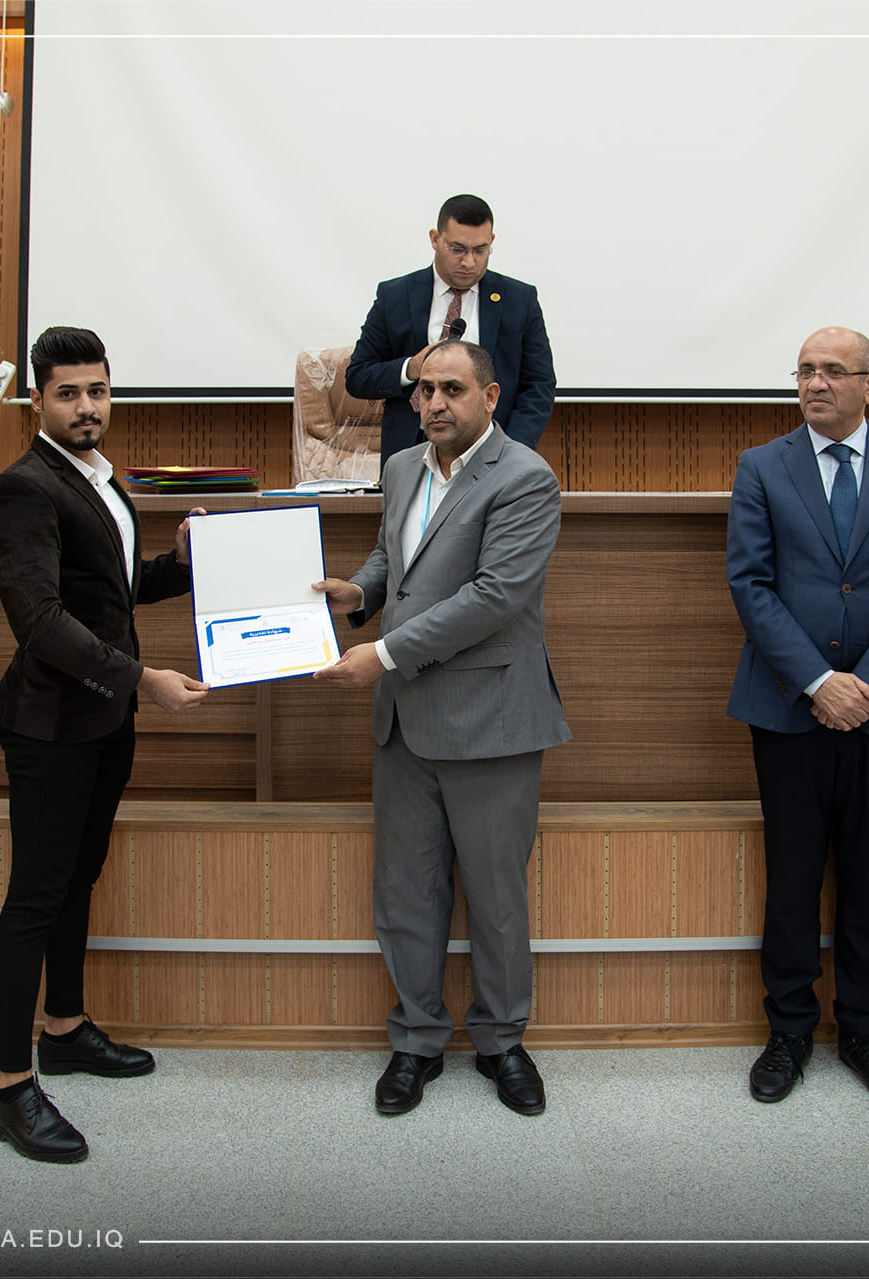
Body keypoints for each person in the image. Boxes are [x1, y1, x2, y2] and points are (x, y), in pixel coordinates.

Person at [313, 339, 569, 1117]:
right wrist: (359, 593)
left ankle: (501, 1041)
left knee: (495, 899)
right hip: (405, 723)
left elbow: (494, 597)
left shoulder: (525, 477)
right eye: (424, 389)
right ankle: (417, 1040)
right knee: (406, 894)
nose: (432, 403)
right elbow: (395, 558)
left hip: (490, 720)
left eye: (451, 389)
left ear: (490, 397)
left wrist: (382, 653)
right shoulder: (400, 468)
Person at [0, 325, 209, 1163]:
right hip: (50, 726)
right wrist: (143, 678)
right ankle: (11, 1086)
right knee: (35, 897)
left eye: (98, 390)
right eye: (69, 393)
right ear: (36, 400)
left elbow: (113, 590)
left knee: (78, 879)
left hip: (104, 721)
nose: (86, 406)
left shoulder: (101, 478)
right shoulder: (21, 488)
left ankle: (65, 1028)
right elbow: (40, 620)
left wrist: (179, 564)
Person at [724, 326, 869, 1110]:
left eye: (832, 371)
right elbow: (750, 584)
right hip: (789, 706)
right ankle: (788, 1028)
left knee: (866, 874)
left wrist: (866, 686)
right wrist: (820, 681)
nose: (815, 383)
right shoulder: (762, 466)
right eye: (805, 371)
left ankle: (861, 1025)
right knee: (792, 874)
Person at [346, 194, 556, 476]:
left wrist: (510, 453)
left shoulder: (519, 300)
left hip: (492, 456)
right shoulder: (395, 296)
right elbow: (358, 376)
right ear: (435, 239)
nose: (469, 262)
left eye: (480, 250)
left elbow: (539, 385)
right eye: (457, 249)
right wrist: (411, 368)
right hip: (412, 451)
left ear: (492, 241)